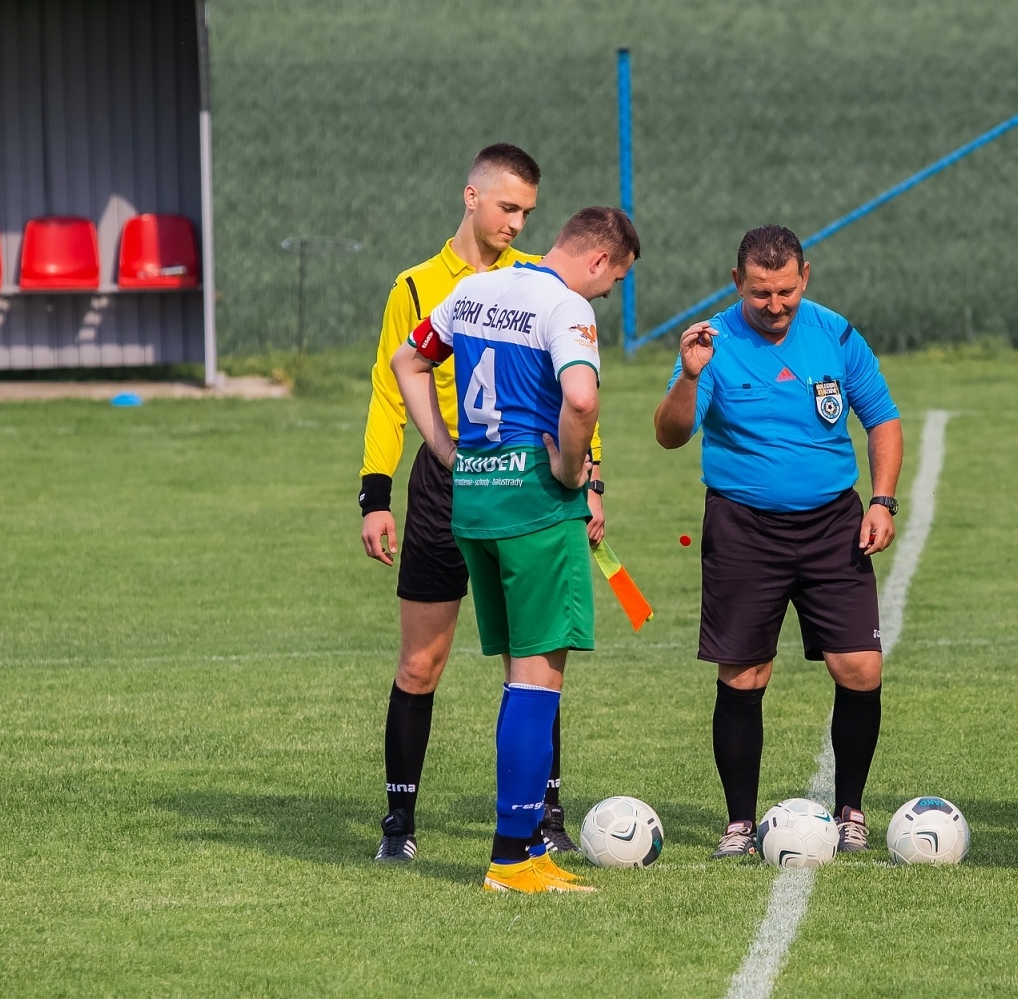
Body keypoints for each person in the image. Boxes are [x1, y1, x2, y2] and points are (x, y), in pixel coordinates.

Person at [358, 144, 604, 862]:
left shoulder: (542, 282)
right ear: (471, 198)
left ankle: (543, 818)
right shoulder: (419, 285)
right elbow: (389, 387)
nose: (518, 224)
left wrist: (591, 481)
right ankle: (399, 827)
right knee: (421, 665)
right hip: (447, 485)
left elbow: (576, 394)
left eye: (528, 211)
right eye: (507, 208)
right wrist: (377, 495)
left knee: (531, 662)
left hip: (529, 480)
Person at [390, 205, 639, 893]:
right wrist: (571, 473)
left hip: (473, 499)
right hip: (534, 505)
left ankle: (526, 849)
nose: (604, 296)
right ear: (597, 260)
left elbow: (406, 358)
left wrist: (442, 445)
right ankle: (511, 858)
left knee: (518, 675)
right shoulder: (564, 309)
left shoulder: (471, 290)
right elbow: (581, 400)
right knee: (536, 682)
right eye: (611, 282)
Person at [653, 224, 903, 858]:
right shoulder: (711, 342)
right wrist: (687, 377)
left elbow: (882, 418)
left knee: (861, 668)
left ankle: (850, 810)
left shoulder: (835, 334)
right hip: (743, 528)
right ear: (737, 282)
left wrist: (881, 500)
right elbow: (670, 434)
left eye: (785, 292)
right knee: (745, 675)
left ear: (805, 277)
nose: (774, 305)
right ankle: (739, 824)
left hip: (832, 525)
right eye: (760, 293)